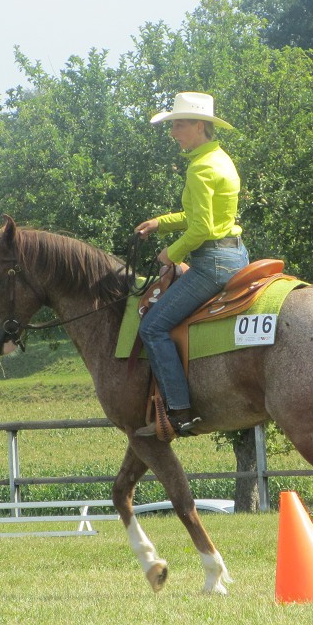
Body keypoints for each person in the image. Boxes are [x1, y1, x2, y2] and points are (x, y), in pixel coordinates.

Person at [134, 92, 249, 438]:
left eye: (179, 125)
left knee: (152, 327)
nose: (174, 133)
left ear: (199, 126)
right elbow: (202, 216)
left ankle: (179, 413)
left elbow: (201, 228)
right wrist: (161, 222)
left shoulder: (200, 168)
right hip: (236, 253)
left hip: (212, 262)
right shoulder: (220, 159)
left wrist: (172, 253)